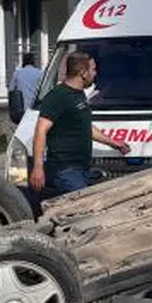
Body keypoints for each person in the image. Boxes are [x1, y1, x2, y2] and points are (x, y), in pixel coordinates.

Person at [28, 51, 129, 203]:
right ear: (83, 72)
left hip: (81, 168)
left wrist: (114, 143)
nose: (95, 73)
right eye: (93, 69)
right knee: (85, 208)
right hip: (65, 170)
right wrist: (38, 167)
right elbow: (41, 130)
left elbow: (85, 127)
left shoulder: (79, 94)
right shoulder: (58, 96)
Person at [8, 55, 43, 119]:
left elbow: (11, 89)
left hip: (22, 107)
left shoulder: (17, 73)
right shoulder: (40, 73)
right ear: (33, 62)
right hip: (36, 107)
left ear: (23, 62)